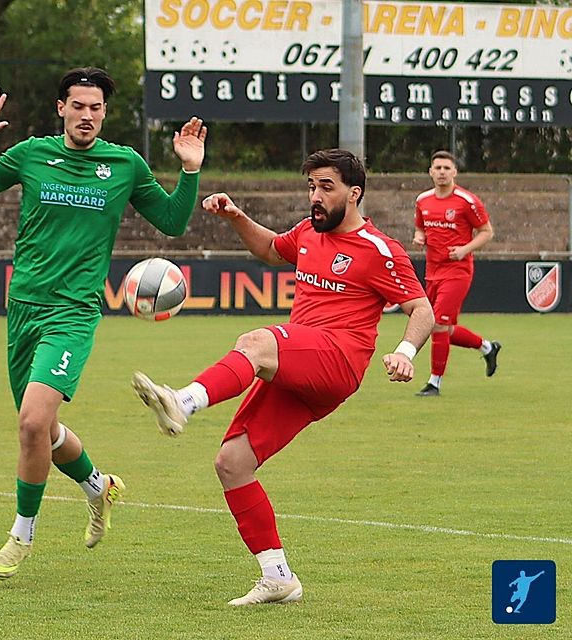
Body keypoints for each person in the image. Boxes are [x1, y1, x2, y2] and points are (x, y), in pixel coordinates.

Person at [131, 149, 434, 605]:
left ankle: (184, 401)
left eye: (326, 187)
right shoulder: (309, 232)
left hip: (338, 361)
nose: (315, 196)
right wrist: (236, 216)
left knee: (256, 342)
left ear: (354, 194)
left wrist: (406, 351)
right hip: (299, 366)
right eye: (311, 186)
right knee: (232, 463)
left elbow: (421, 308)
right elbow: (272, 249)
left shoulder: (379, 250)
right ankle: (278, 577)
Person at [0, 67, 207, 579]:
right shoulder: (30, 155)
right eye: (78, 106)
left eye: (96, 108)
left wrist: (191, 171)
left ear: (104, 114)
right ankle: (99, 487)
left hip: (73, 313)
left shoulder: (124, 165)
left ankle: (21, 536)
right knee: (40, 431)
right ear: (61, 108)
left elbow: (174, 223)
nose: (87, 115)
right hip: (22, 307)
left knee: (29, 423)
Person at [413, 150, 501, 397]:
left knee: (439, 324)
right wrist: (420, 237)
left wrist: (464, 250)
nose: (441, 172)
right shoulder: (423, 200)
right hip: (433, 271)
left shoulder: (466, 201)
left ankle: (434, 383)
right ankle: (487, 347)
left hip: (457, 271)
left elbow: (486, 231)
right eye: (437, 168)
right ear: (430, 172)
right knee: (443, 328)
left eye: (446, 168)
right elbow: (420, 227)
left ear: (454, 172)